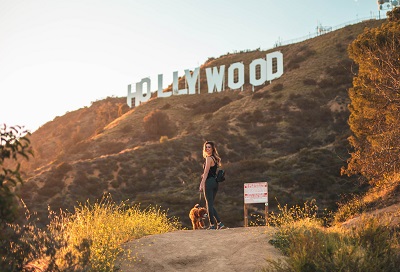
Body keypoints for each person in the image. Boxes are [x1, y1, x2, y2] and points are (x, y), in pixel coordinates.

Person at [199, 141, 226, 230]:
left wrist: (201, 183)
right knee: (210, 204)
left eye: (209, 147)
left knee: (209, 205)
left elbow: (206, 172)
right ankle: (220, 223)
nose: (207, 148)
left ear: (212, 148)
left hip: (209, 183)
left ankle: (212, 225)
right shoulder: (215, 158)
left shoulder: (208, 158)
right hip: (215, 183)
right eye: (206, 147)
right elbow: (211, 171)